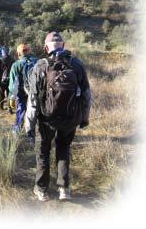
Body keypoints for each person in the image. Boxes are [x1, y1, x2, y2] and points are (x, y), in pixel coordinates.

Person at [25, 31, 91, 202]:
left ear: (46, 47)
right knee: (63, 150)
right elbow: (86, 95)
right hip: (70, 118)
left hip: (46, 119)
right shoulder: (76, 64)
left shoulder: (40, 66)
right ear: (63, 45)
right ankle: (64, 189)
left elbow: (32, 100)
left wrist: (29, 127)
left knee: (43, 153)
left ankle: (42, 190)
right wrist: (84, 118)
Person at [9, 43, 37, 133]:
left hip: (21, 94)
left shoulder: (16, 65)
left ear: (18, 53)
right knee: (34, 114)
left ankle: (17, 131)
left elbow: (14, 85)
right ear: (28, 51)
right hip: (35, 93)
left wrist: (12, 98)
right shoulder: (37, 62)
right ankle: (31, 134)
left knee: (21, 112)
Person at [0, 46, 14, 111]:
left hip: (1, 80)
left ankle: (1, 107)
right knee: (9, 93)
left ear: (2, 52)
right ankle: (10, 108)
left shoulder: (0, 59)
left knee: (0, 93)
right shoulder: (12, 59)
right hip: (10, 79)